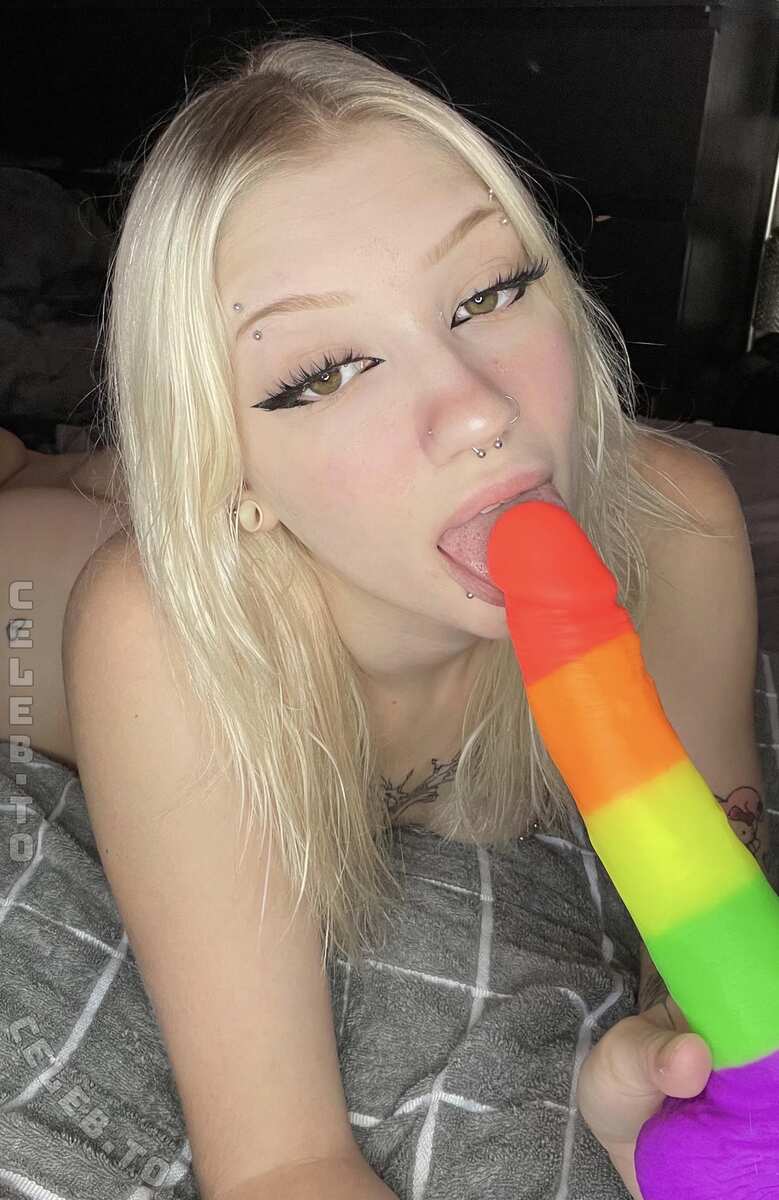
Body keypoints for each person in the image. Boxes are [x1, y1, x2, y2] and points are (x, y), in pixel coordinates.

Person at [1, 33, 752, 1200]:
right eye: (322, 373)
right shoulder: (160, 643)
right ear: (226, 460)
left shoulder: (674, 531)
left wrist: (692, 1094)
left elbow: (712, 954)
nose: (475, 411)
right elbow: (278, 1163)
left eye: (488, 293)